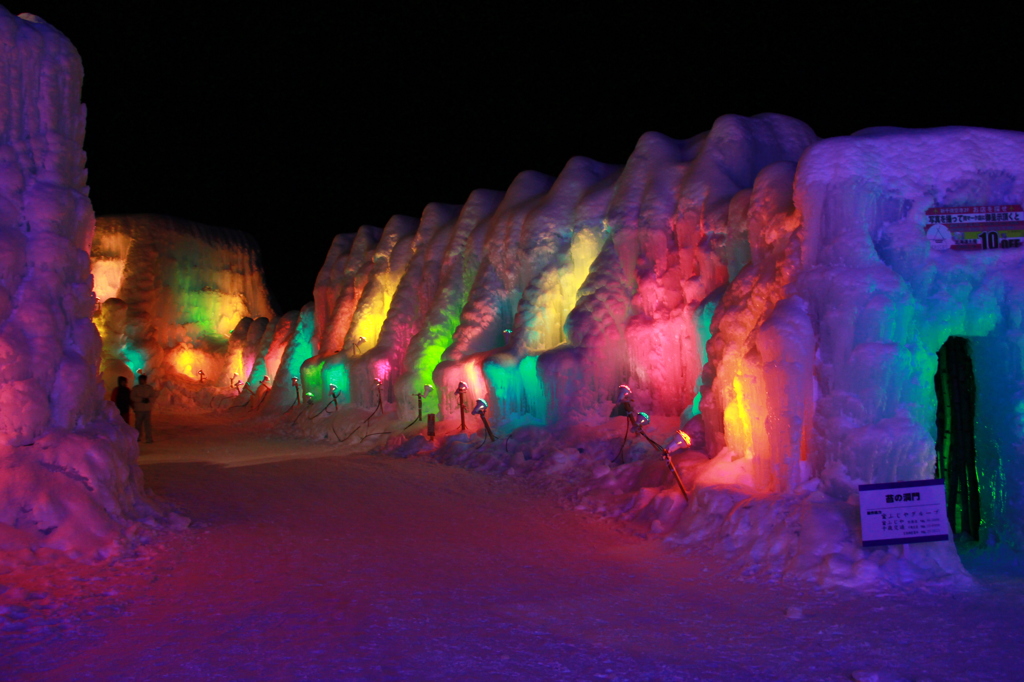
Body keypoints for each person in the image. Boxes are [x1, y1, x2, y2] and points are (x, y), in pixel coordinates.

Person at [131, 374, 157, 443]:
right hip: (139, 409)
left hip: (147, 409)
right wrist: (141, 400)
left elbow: (153, 396)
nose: (141, 381)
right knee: (138, 424)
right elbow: (132, 397)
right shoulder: (136, 388)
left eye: (142, 380)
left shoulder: (149, 388)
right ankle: (138, 437)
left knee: (147, 424)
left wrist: (148, 399)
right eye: (140, 380)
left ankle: (149, 438)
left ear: (145, 380)